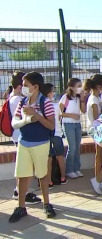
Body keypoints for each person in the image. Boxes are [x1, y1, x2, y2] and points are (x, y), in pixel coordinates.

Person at [9, 72, 56, 223]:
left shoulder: (45, 103)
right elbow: (15, 122)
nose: (23, 88)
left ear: (35, 87)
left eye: (25, 85)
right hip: (24, 143)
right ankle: (21, 207)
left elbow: (51, 125)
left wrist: (35, 114)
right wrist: (25, 119)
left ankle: (46, 203)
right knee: (22, 175)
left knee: (42, 175)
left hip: (41, 143)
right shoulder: (22, 102)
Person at [9, 71, 42, 204]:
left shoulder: (12, 97)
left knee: (23, 167)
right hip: (22, 136)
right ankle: (23, 192)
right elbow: (27, 118)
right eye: (24, 85)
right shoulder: (19, 100)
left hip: (18, 136)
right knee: (26, 168)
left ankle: (19, 191)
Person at [83, 74, 102, 195]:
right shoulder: (94, 100)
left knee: (100, 156)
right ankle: (97, 180)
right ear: (99, 86)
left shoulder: (95, 98)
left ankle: (98, 181)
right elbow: (97, 119)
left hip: (97, 131)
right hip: (98, 131)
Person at [41, 83, 68, 186]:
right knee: (60, 156)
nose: (54, 93)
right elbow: (59, 118)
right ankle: (63, 177)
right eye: (52, 91)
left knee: (48, 158)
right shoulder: (56, 105)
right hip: (57, 133)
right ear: (48, 93)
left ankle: (49, 180)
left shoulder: (42, 105)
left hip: (46, 134)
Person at [59, 78, 86, 179]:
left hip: (77, 124)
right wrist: (72, 115)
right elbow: (60, 112)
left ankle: (76, 168)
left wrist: (82, 98)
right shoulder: (65, 98)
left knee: (77, 147)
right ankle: (69, 170)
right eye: (78, 86)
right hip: (68, 124)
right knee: (72, 147)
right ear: (71, 87)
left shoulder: (78, 98)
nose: (80, 88)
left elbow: (83, 111)